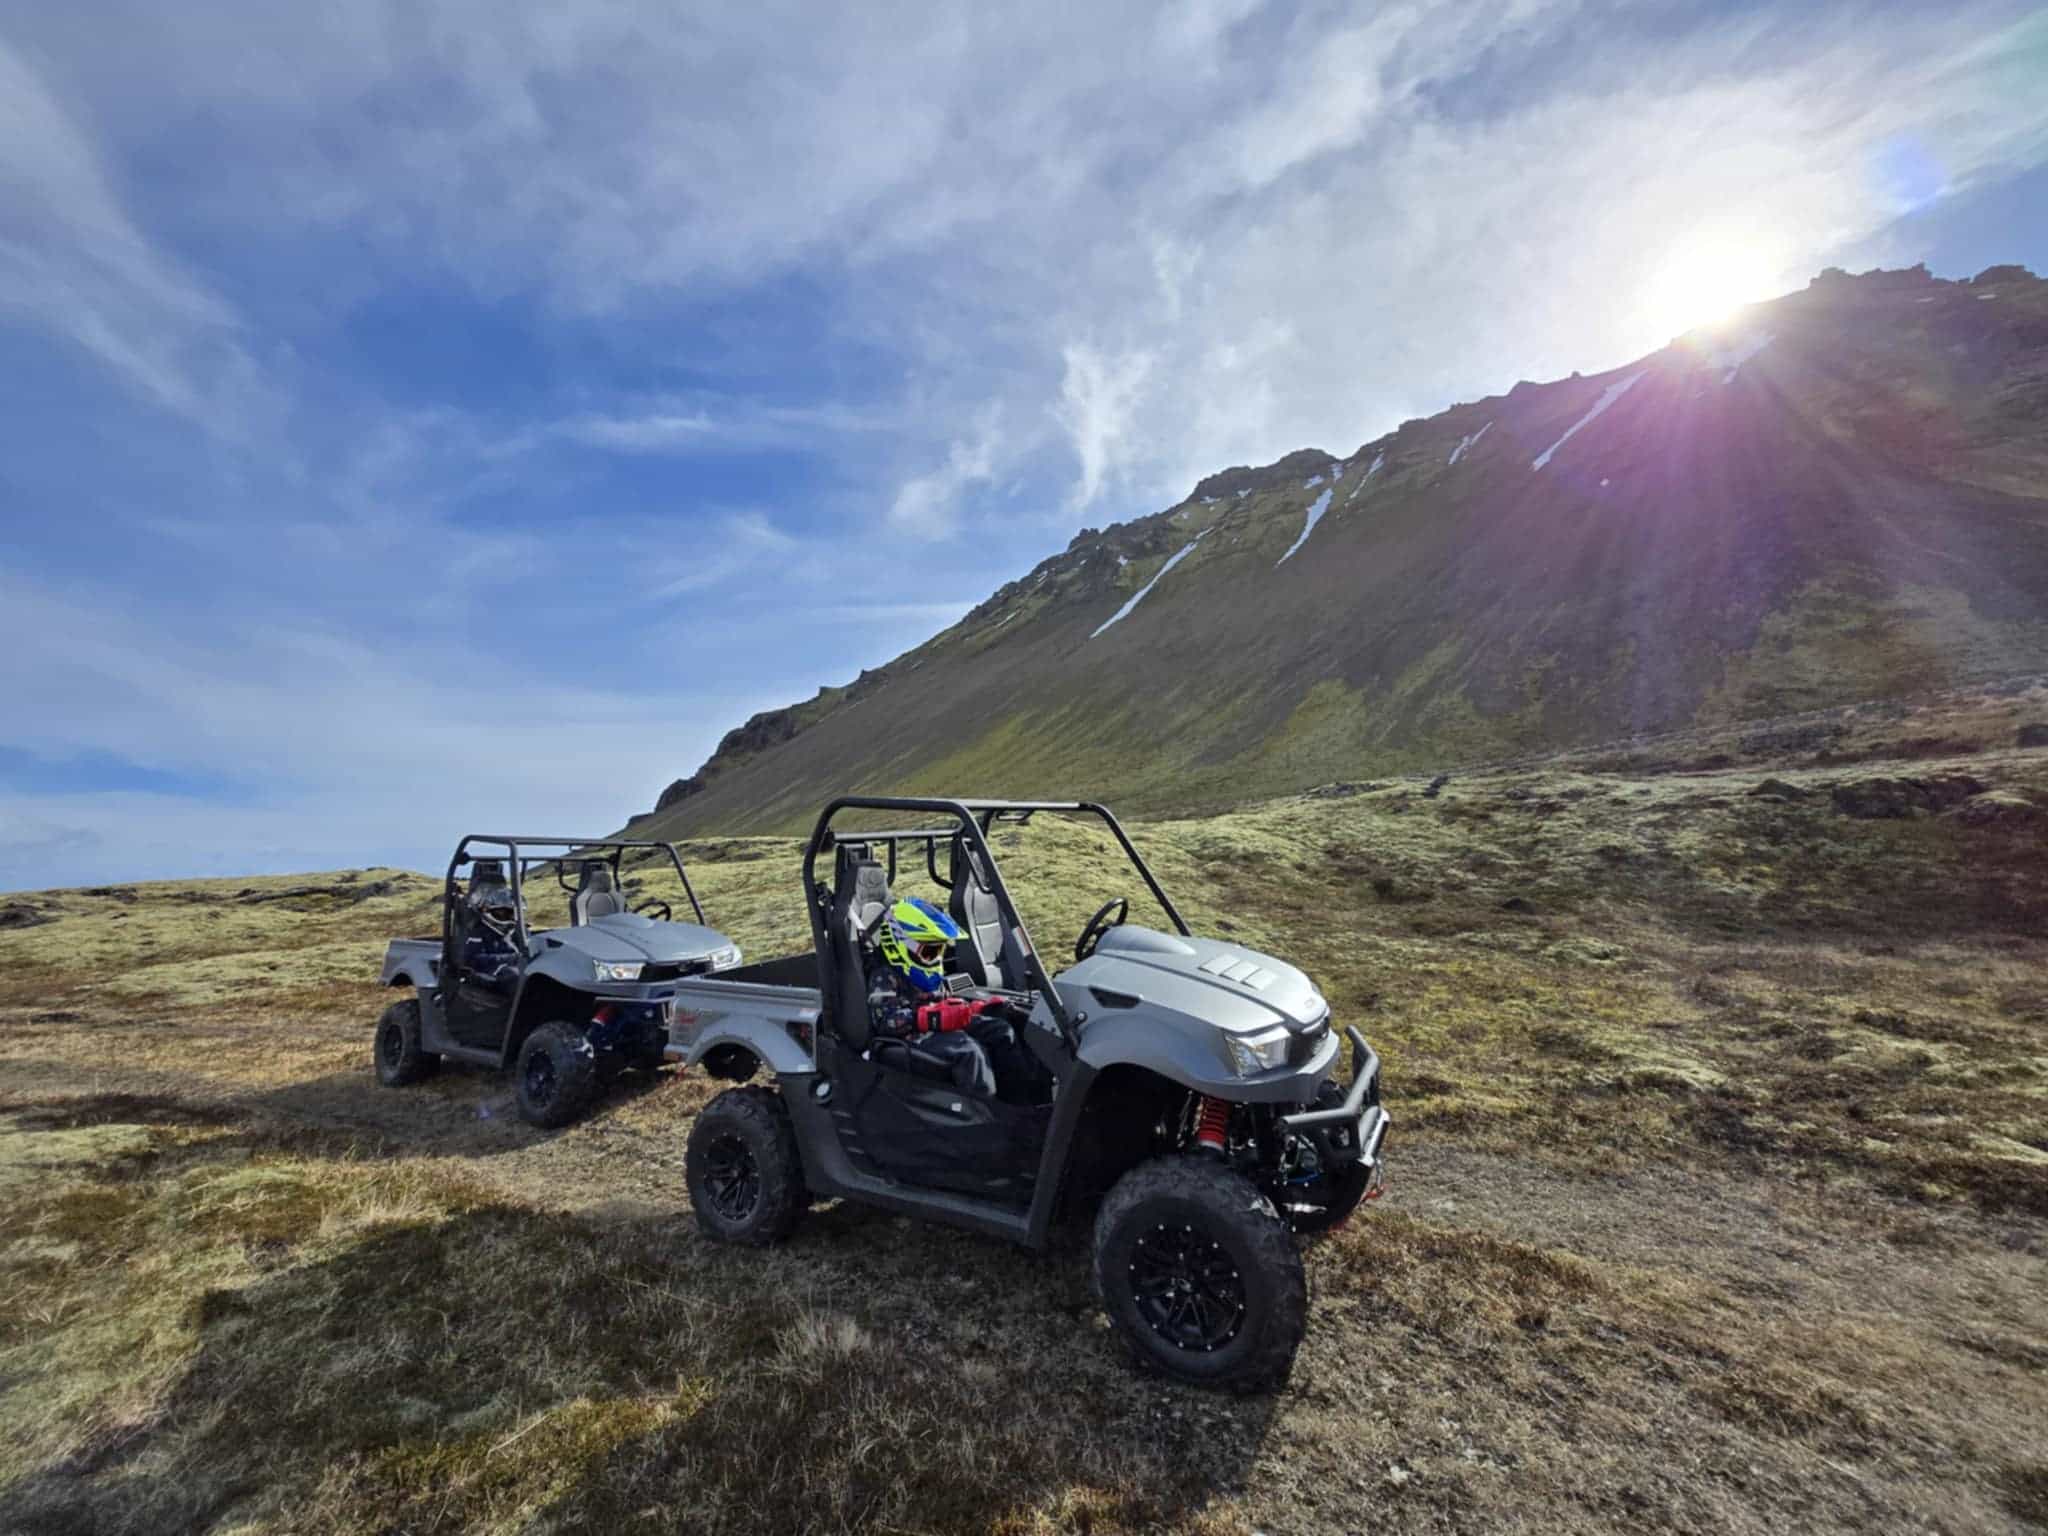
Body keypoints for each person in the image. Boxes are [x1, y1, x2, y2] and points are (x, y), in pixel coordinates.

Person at [866, 896, 1032, 1098]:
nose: (936, 958)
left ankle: (1021, 1100)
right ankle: (985, 1116)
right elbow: (885, 1020)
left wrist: (973, 1008)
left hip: (937, 1026)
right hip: (911, 1036)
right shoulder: (885, 976)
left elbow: (943, 999)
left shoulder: (927, 972)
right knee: (970, 1053)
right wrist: (930, 1017)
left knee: (1001, 1030)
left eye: (939, 951)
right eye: (930, 952)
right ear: (900, 944)